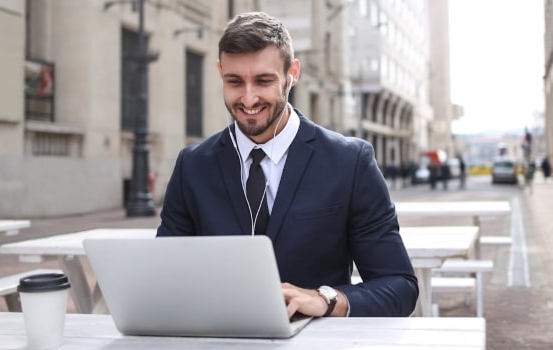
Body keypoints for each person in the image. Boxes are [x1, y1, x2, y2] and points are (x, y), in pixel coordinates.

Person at [156, 12, 418, 318]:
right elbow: (166, 274)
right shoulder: (193, 165)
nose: (249, 98)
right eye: (235, 82)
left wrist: (326, 300)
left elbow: (399, 285)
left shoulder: (350, 162)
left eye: (264, 81)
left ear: (292, 73)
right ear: (220, 73)